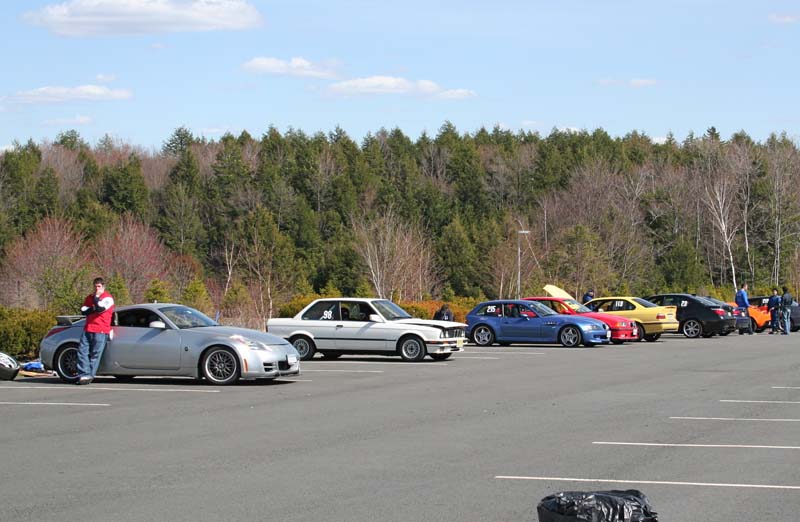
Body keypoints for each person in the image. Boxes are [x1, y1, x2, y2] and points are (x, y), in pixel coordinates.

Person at [76, 277, 115, 385]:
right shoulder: (89, 297)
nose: (97, 288)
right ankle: (84, 374)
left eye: (99, 286)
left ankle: (89, 375)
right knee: (82, 352)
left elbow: (100, 309)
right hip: (88, 328)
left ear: (103, 287)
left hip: (101, 330)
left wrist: (96, 301)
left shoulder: (108, 298)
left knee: (95, 354)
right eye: (95, 286)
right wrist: (93, 307)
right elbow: (84, 310)